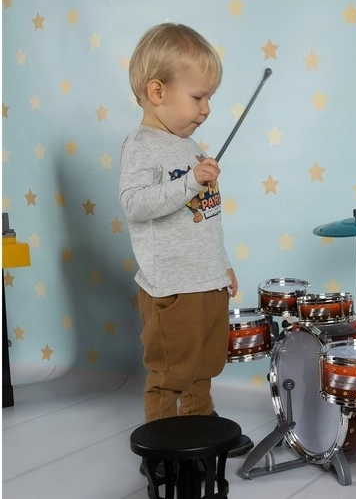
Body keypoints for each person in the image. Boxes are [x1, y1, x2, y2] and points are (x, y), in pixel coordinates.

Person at [119, 23, 253, 461]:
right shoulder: (143, 145)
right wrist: (191, 181)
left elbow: (205, 218)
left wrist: (222, 264)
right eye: (199, 97)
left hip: (205, 281)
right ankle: (162, 448)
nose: (207, 109)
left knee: (203, 367)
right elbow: (135, 204)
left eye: (209, 98)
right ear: (157, 92)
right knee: (171, 373)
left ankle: (201, 431)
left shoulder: (188, 145)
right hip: (172, 287)